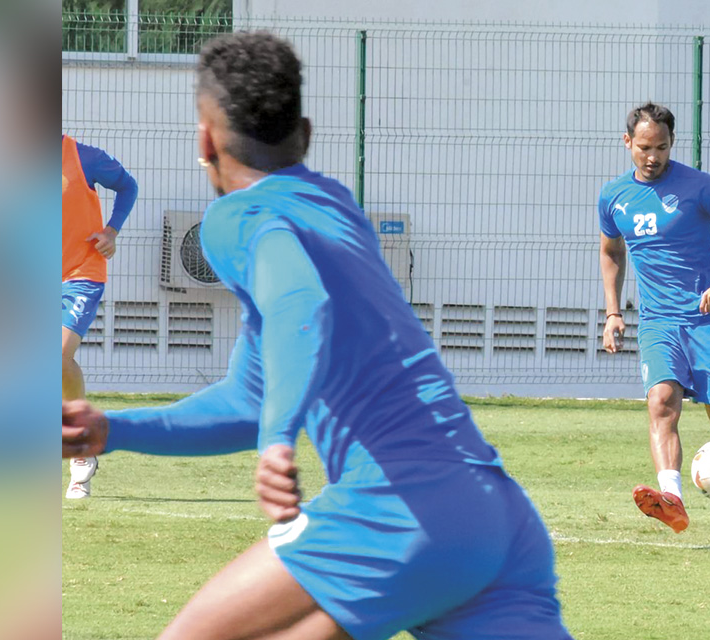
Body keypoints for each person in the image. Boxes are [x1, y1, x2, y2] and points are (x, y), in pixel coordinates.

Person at [61, 32, 572, 640]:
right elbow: (250, 400)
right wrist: (114, 430)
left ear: (205, 141)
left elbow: (301, 302)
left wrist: (279, 441)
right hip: (497, 518)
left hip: (398, 509)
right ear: (304, 135)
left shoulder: (240, 214)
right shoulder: (337, 207)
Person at [597, 102, 710, 543]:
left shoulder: (698, 186)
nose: (652, 156)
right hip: (657, 322)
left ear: (672, 143)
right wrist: (614, 312)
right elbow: (611, 251)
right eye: (643, 147)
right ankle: (671, 499)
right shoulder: (613, 196)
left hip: (706, 319)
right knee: (661, 402)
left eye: (660, 147)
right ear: (627, 143)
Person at [62, 132, 137, 499]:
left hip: (81, 274)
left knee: (56, 354)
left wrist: (112, 230)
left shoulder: (83, 156)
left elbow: (127, 186)